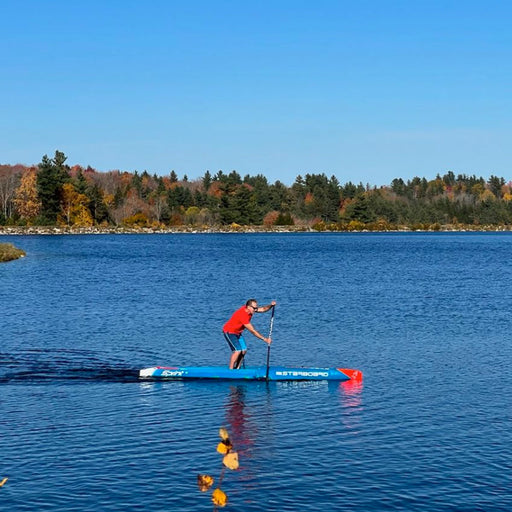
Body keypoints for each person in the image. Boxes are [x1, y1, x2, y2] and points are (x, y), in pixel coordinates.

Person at [223, 299, 276, 369]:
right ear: (248, 307)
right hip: (229, 332)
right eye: (254, 308)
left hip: (238, 333)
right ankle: (231, 370)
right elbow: (252, 331)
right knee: (237, 350)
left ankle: (237, 368)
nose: (255, 309)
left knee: (244, 350)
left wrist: (271, 306)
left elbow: (263, 309)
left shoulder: (250, 310)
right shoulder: (242, 315)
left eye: (255, 308)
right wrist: (265, 339)